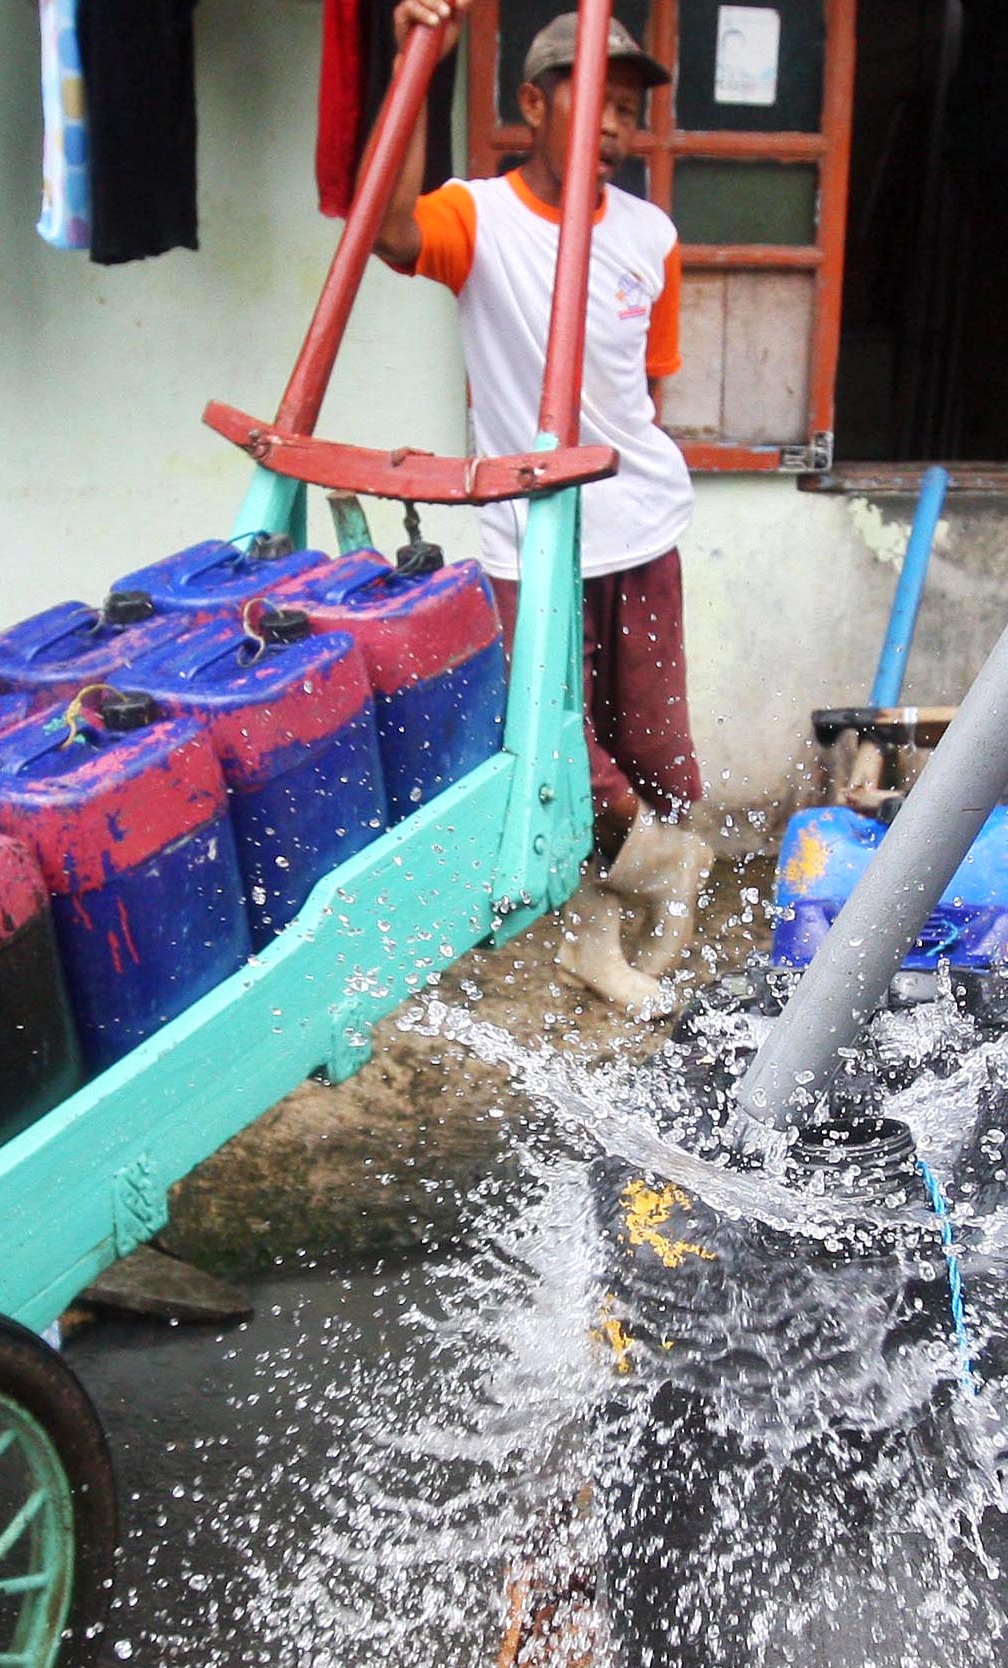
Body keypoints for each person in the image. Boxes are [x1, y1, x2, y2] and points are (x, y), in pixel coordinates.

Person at [376, 0, 709, 1015]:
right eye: (592, 102)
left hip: (640, 528)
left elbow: (646, 390)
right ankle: (644, 884)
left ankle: (608, 924)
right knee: (571, 754)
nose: (613, 125)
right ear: (531, 103)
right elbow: (389, 230)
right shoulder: (480, 217)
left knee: (656, 751)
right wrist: (414, 72)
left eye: (626, 109)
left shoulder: (651, 234)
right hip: (531, 540)